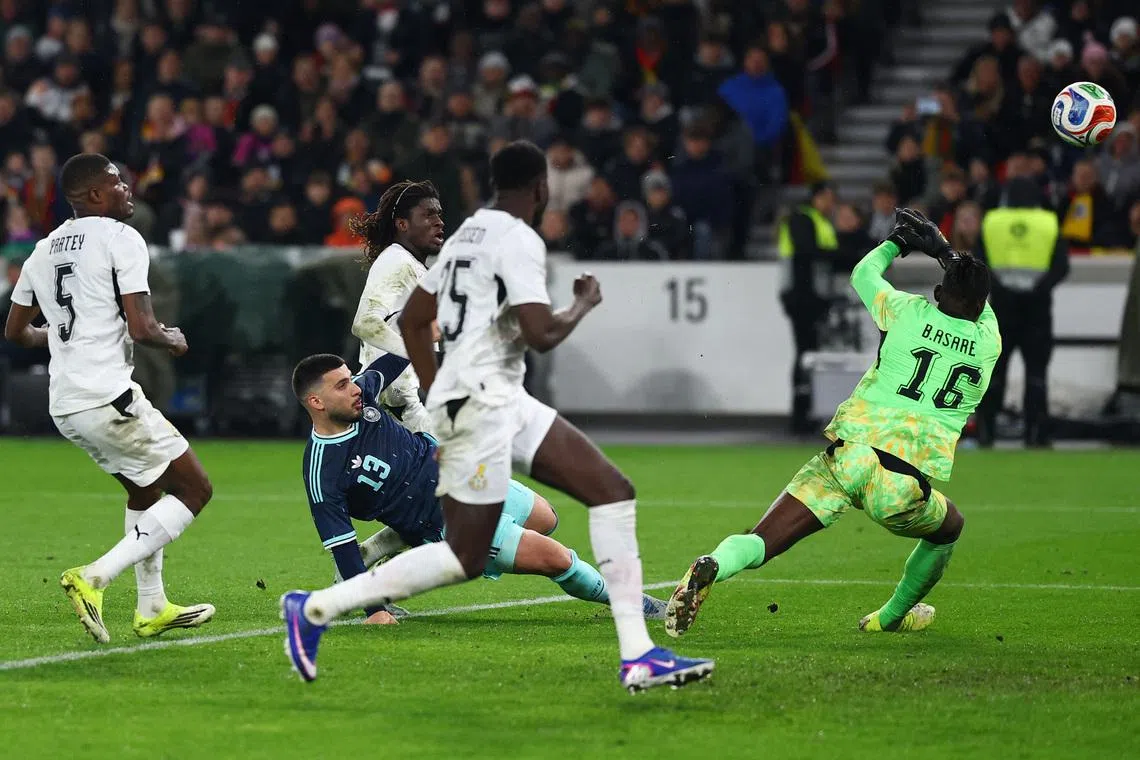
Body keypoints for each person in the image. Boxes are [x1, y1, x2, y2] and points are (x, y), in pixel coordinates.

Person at [281, 140, 713, 693]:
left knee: (499, 535)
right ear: (540, 188)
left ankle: (320, 605)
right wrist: (581, 304)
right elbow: (539, 333)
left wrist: (441, 389)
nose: (439, 221)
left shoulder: (465, 239)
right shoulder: (513, 241)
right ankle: (638, 651)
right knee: (603, 495)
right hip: (489, 404)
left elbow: (416, 323)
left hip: (475, 406)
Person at [665, 209, 1000, 638]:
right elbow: (977, 300)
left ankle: (714, 562)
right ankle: (892, 617)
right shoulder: (988, 341)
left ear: (937, 292)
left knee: (764, 540)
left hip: (849, 456)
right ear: (980, 304)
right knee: (949, 528)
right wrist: (947, 252)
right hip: (902, 484)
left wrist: (900, 242)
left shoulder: (906, 311)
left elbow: (863, 272)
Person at [2, 153, 214, 643]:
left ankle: (153, 606)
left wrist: (58, 336)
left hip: (67, 404)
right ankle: (94, 576)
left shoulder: (43, 248)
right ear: (94, 195)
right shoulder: (121, 238)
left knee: (144, 490)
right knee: (195, 490)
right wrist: (173, 338)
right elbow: (141, 327)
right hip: (107, 395)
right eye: (118, 182)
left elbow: (15, 331)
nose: (128, 188)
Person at [291, 352, 667, 626]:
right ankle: (634, 602)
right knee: (559, 560)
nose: (355, 387)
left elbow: (387, 364)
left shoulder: (364, 401)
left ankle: (392, 552)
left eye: (351, 378)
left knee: (547, 518)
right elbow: (341, 545)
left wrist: (419, 328)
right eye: (342, 385)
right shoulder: (323, 471)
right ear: (316, 402)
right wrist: (373, 611)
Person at [975, 178, 1069, 447]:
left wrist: (1002, 288)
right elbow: (1061, 267)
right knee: (1037, 373)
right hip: (1037, 310)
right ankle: (1036, 435)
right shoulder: (1048, 223)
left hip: (1001, 308)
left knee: (994, 372)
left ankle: (985, 433)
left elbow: (977, 263)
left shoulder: (992, 221)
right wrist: (1039, 289)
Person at [349, 180, 444, 435]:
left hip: (401, 410)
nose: (439, 222)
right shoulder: (396, 259)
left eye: (439, 214)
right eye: (428, 215)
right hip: (391, 413)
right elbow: (365, 323)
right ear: (402, 224)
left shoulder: (415, 267)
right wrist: (418, 351)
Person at [777, 181, 839, 434]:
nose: (831, 204)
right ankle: (800, 416)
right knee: (806, 353)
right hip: (803, 297)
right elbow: (809, 252)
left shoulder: (812, 220)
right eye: (829, 198)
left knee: (808, 353)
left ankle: (805, 413)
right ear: (818, 198)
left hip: (808, 297)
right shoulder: (804, 219)